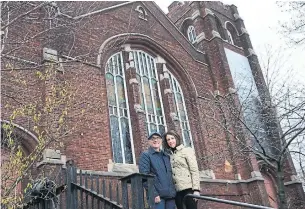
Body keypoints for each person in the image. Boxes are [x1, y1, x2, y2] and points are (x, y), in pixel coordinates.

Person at [163, 130, 200, 209]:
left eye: (172, 138)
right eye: (168, 139)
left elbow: (194, 171)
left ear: (176, 138)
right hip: (177, 191)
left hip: (189, 189)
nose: (170, 141)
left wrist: (196, 190)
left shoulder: (187, 151)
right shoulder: (169, 155)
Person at [139, 132, 176, 209]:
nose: (155, 140)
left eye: (158, 138)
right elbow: (144, 177)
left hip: (170, 196)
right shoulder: (146, 155)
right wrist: (154, 194)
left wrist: (173, 192)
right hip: (157, 197)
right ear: (149, 141)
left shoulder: (166, 156)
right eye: (153, 139)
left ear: (161, 141)